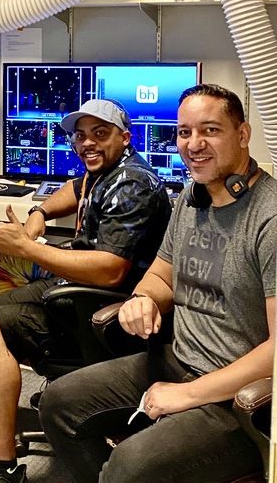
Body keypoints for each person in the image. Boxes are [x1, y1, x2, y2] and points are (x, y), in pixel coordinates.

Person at [39, 83, 276, 483]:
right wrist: (144, 297)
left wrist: (186, 394)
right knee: (59, 403)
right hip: (178, 360)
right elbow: (161, 274)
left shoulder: (269, 218)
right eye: (184, 132)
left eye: (210, 130)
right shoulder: (193, 198)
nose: (194, 144)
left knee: (129, 465)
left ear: (243, 134)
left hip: (237, 398)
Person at [0, 98, 172, 483]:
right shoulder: (104, 171)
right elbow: (75, 188)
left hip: (106, 304)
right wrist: (40, 213)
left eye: (100, 133)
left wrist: (28, 249)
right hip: (76, 288)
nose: (87, 143)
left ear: (125, 137)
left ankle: (2, 468)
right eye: (80, 136)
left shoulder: (131, 184)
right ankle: (69, 389)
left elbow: (111, 271)